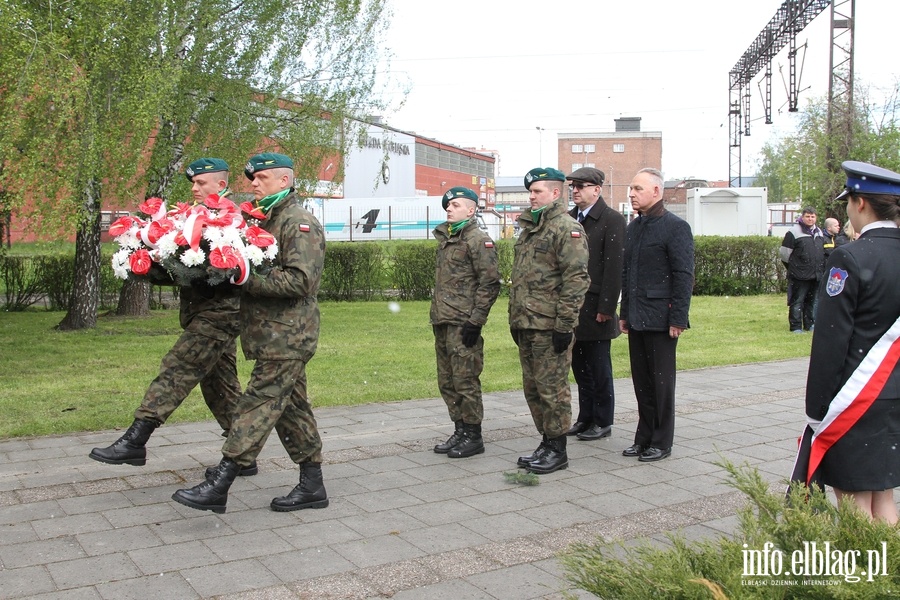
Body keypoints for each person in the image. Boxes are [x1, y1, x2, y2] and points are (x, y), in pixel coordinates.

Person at [172, 152, 328, 514]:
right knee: (292, 408)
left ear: (284, 181)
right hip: (268, 334)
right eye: (253, 178)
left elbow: (302, 280)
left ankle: (221, 481)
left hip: (289, 335)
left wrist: (245, 275)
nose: (254, 184)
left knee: (256, 402)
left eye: (262, 178)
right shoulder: (263, 220)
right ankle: (312, 485)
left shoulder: (298, 222)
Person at [89, 158, 251, 475]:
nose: (194, 188)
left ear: (220, 186)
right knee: (221, 387)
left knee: (178, 368)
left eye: (201, 183)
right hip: (198, 313)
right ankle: (243, 457)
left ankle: (136, 440)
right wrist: (150, 266)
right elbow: (180, 266)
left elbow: (235, 268)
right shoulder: (189, 219)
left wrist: (209, 271)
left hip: (221, 315)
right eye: (192, 183)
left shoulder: (233, 223)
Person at [799, 160, 900, 523]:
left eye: (847, 201)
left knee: (855, 503)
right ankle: (890, 576)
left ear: (859, 204)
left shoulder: (849, 256)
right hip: (894, 394)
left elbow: (831, 340)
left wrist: (816, 408)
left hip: (855, 398)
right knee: (883, 496)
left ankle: (863, 577)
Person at [510, 167, 589, 474]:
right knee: (533, 388)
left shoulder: (565, 228)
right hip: (527, 322)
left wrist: (564, 325)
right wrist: (515, 319)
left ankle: (558, 449)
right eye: (530, 191)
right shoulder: (532, 227)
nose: (532, 196)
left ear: (556, 193)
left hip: (550, 325)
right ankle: (546, 441)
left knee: (552, 388)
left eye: (537, 191)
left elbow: (576, 279)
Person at [619, 168, 694, 463]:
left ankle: (661, 441)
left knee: (661, 384)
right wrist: (624, 313)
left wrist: (678, 317)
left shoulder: (675, 227)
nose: (632, 193)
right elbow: (628, 275)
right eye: (631, 188)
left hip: (662, 318)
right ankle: (644, 437)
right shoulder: (634, 228)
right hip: (637, 317)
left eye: (638, 188)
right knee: (642, 382)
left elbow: (683, 274)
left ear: (656, 192)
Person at [431, 187, 501, 458]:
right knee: (447, 380)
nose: (449, 208)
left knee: (465, 379)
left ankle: (473, 435)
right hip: (443, 320)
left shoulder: (477, 240)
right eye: (448, 205)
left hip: (463, 323)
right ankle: (459, 429)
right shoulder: (448, 239)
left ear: (471, 210)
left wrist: (476, 320)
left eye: (456, 205)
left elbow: (489, 283)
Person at [564, 167, 624, 441]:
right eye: (572, 186)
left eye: (581, 186)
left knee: (599, 368)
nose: (575, 190)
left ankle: (603, 420)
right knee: (580, 367)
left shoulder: (612, 220)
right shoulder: (569, 219)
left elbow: (614, 268)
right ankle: (585, 417)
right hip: (573, 306)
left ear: (596, 190)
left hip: (596, 307)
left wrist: (606, 308)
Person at [779, 207, 824, 333]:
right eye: (807, 216)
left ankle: (810, 324)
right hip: (799, 274)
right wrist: (795, 267)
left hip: (815, 274)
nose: (810, 219)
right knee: (797, 301)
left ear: (816, 218)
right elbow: (784, 254)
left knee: (812, 301)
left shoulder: (819, 232)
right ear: (802, 217)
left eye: (813, 216)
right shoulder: (793, 232)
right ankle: (796, 326)